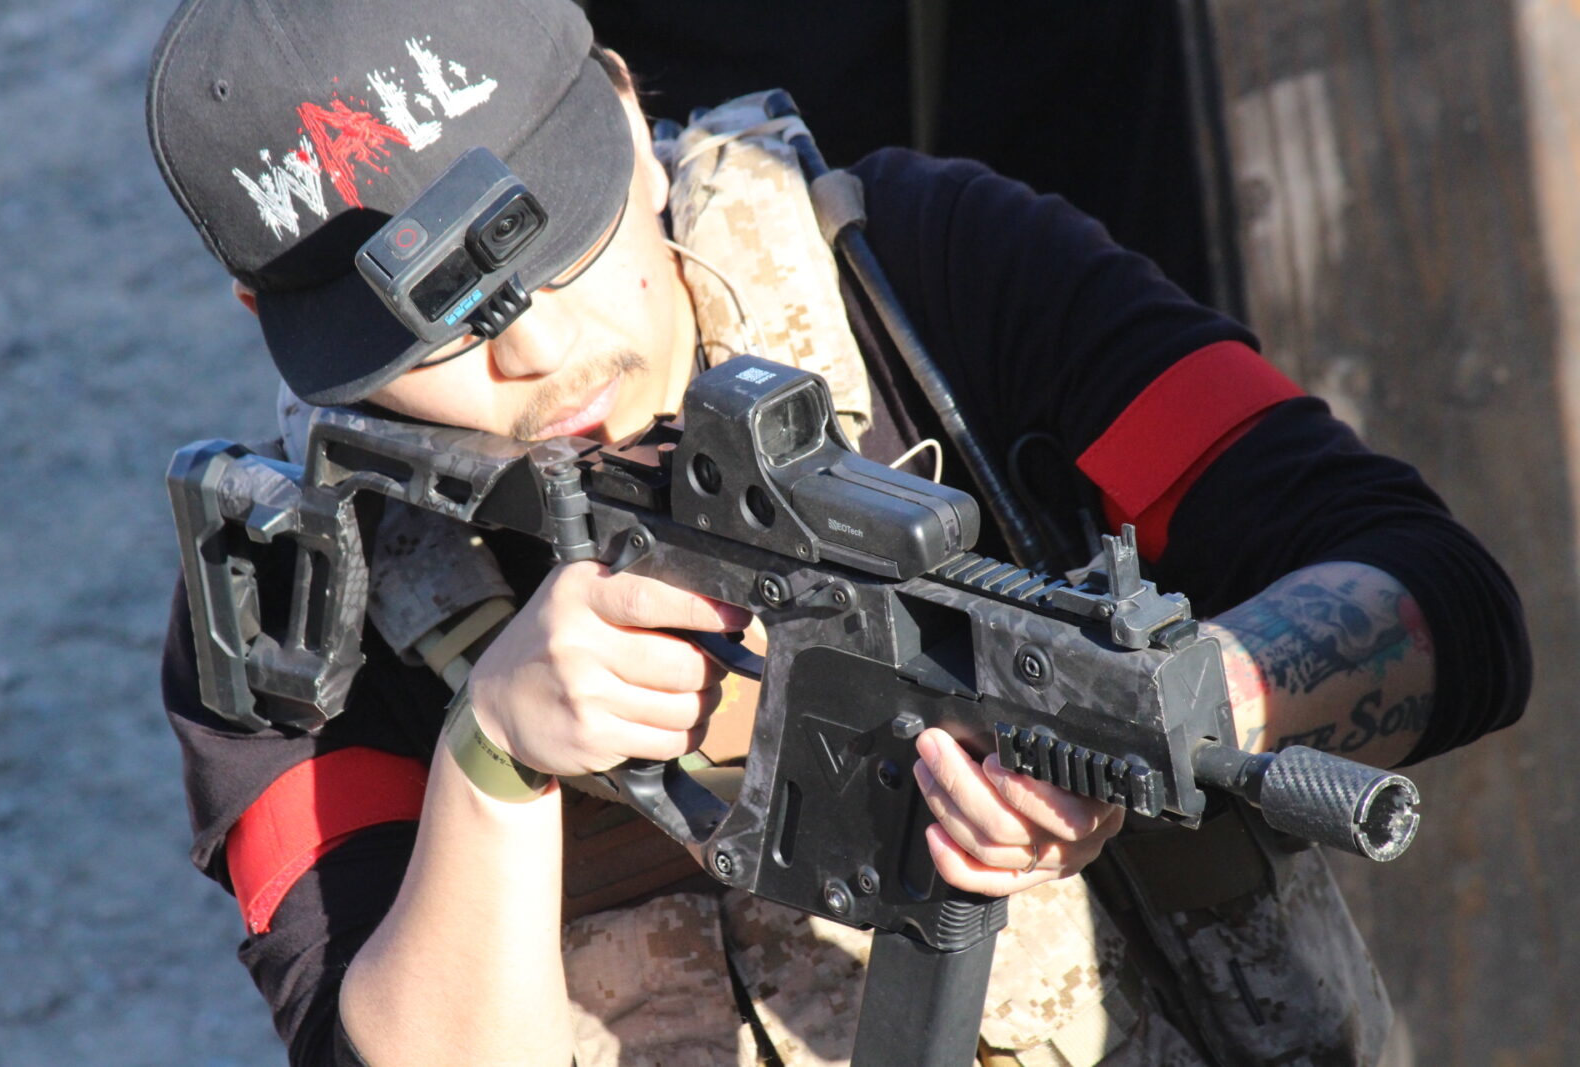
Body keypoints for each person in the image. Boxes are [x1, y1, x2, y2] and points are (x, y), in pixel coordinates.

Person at [146, 0, 1528, 1064]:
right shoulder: (297, 581)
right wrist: (493, 763)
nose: (540, 353)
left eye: (559, 244)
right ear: (272, 320)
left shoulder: (924, 277)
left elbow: (1440, 598)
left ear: (626, 106)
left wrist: (1173, 708)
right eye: (434, 330)